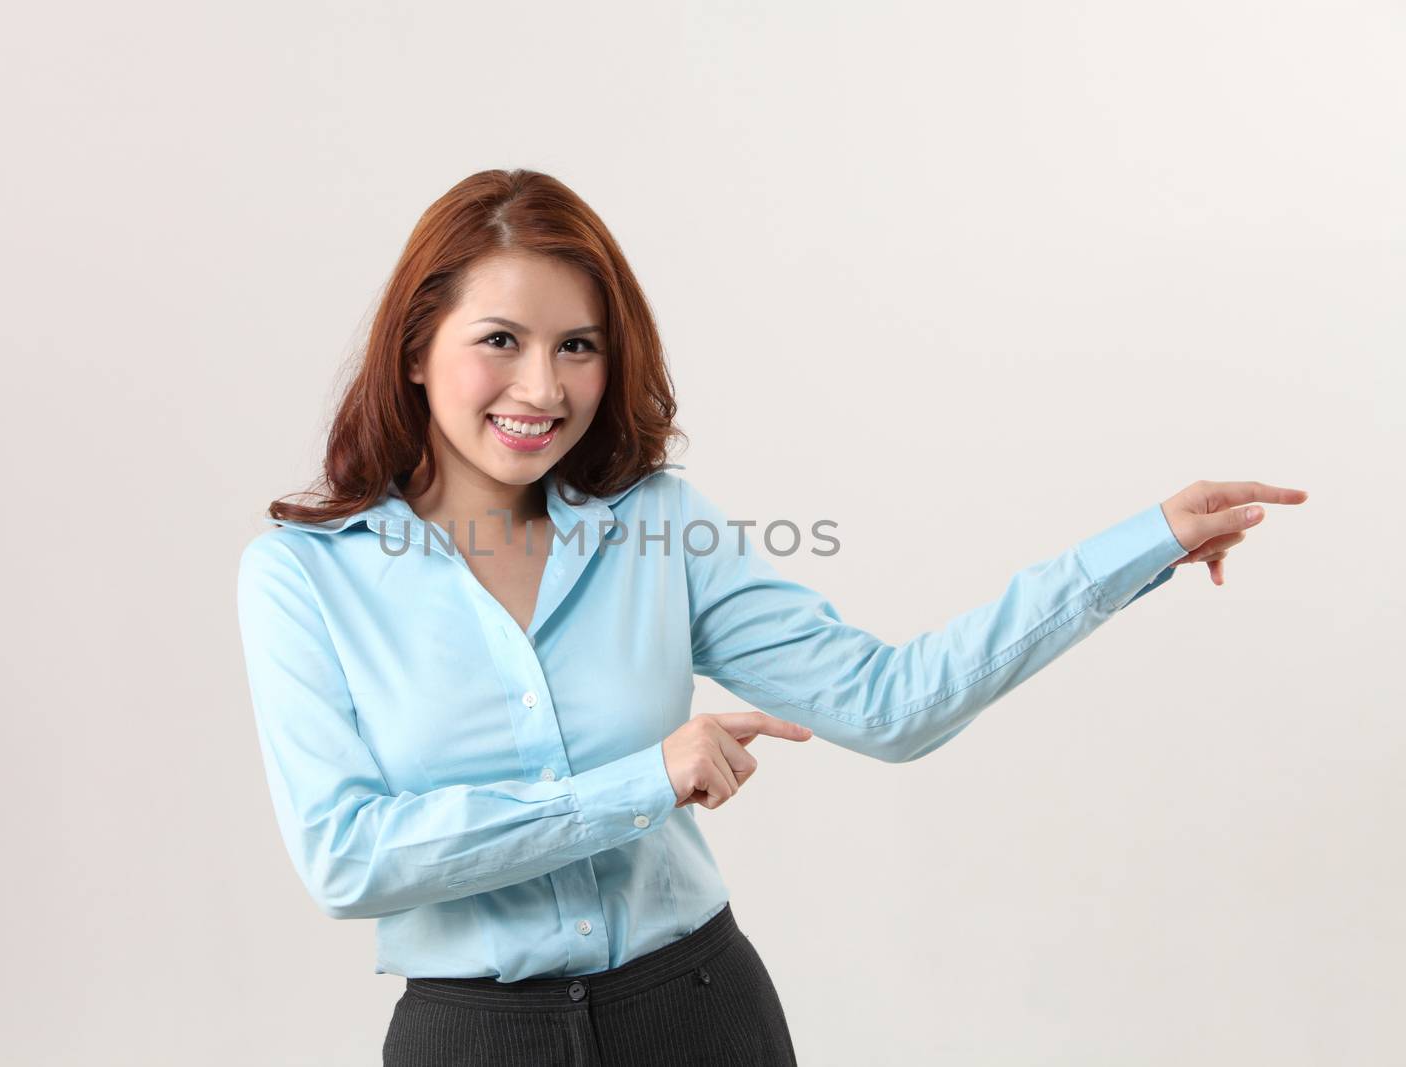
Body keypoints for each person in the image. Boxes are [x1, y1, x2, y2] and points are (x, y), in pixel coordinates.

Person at [234, 168, 1307, 1065]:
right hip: (470, 1037)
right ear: (416, 346)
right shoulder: (302, 576)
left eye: (578, 345)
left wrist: (1141, 543)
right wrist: (645, 779)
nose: (542, 385)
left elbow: (893, 706)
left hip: (697, 1013)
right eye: (500, 338)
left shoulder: (658, 527)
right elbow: (348, 858)